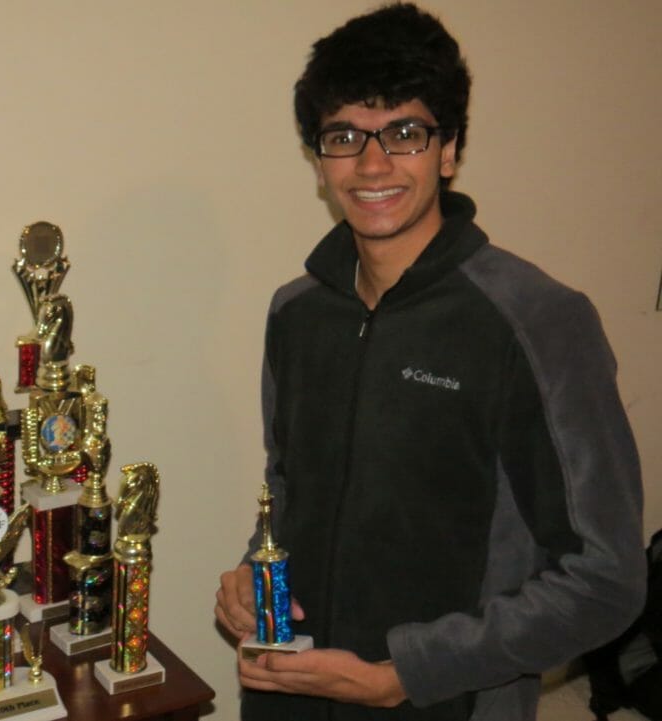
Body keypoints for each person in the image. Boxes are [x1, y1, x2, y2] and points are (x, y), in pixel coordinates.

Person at [213, 4, 647, 720]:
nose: (373, 163)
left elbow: (605, 579)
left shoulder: (537, 321)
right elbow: (287, 493)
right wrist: (253, 572)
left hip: (448, 704)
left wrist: (407, 672)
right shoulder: (297, 313)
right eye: (345, 136)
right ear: (319, 162)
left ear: (448, 150)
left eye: (405, 133)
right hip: (287, 697)